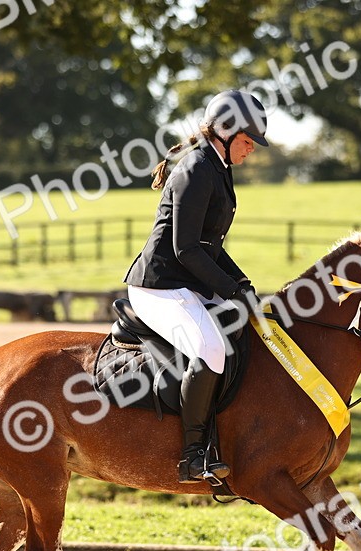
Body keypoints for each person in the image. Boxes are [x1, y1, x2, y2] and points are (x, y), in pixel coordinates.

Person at [123, 89, 269, 483]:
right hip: (159, 286)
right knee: (210, 348)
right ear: (225, 132)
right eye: (247, 140)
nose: (251, 149)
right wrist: (231, 290)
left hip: (185, 282)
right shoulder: (196, 170)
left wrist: (243, 284)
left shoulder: (218, 167)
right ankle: (192, 455)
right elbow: (185, 248)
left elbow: (211, 246)